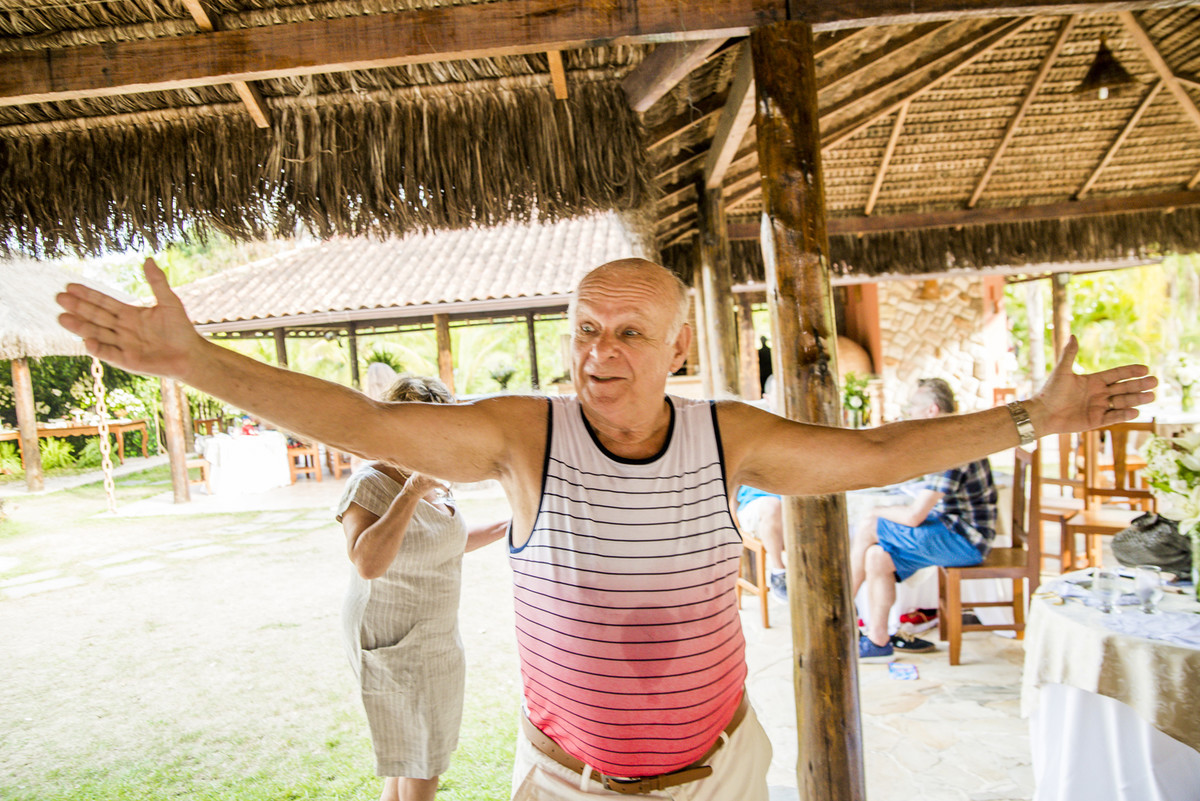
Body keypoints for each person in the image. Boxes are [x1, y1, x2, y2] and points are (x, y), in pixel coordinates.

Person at [57, 257, 1156, 800]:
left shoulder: (725, 436)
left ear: (677, 350)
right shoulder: (524, 438)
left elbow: (871, 458)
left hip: (719, 775)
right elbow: (365, 418)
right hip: (569, 784)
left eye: (629, 333)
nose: (599, 351)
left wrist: (1033, 418)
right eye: (586, 329)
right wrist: (196, 365)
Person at [336, 374, 508, 801]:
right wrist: (411, 491)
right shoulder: (370, 483)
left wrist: (510, 523)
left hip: (435, 636)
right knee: (421, 762)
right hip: (392, 634)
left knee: (409, 758)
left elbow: (442, 542)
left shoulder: (437, 476)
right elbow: (367, 562)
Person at [849, 378, 997, 662]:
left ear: (931, 410)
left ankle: (841, 609)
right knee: (877, 556)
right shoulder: (952, 436)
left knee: (869, 523)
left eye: (912, 407)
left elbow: (915, 516)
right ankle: (878, 640)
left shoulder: (952, 445)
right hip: (953, 529)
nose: (908, 413)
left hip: (966, 541)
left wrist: (878, 510)